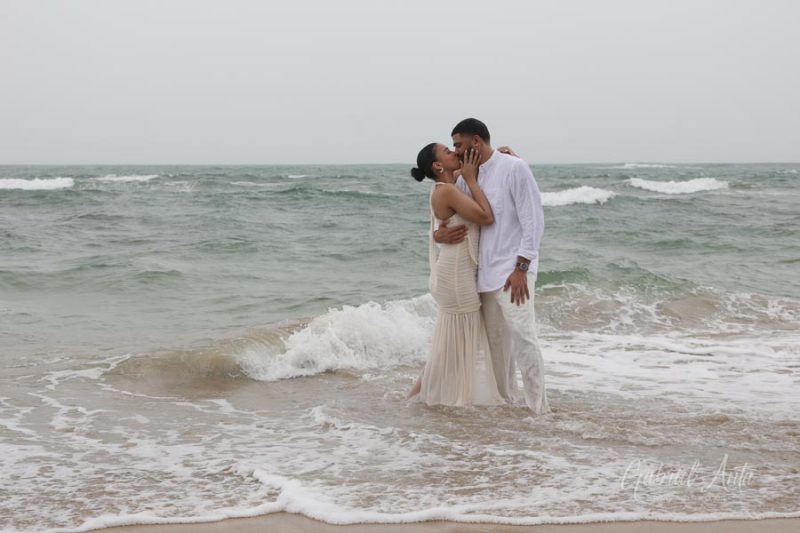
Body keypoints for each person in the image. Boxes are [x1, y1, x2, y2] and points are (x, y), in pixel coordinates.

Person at [436, 118, 551, 414]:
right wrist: (440, 234)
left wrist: (522, 268)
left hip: (514, 272)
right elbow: (447, 218)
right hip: (482, 277)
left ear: (476, 142)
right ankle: (507, 406)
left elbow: (533, 221)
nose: (456, 151)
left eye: (459, 145)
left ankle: (539, 410)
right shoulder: (463, 179)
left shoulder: (514, 167)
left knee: (524, 338)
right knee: (497, 350)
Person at [407, 144, 505, 406]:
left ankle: (419, 397)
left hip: (455, 273)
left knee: (449, 345)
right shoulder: (447, 189)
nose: (454, 153)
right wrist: (472, 180)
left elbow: (480, 165)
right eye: (448, 151)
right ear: (438, 166)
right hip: (456, 277)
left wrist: (501, 155)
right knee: (453, 346)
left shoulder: (450, 183)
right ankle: (428, 397)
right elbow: (485, 217)